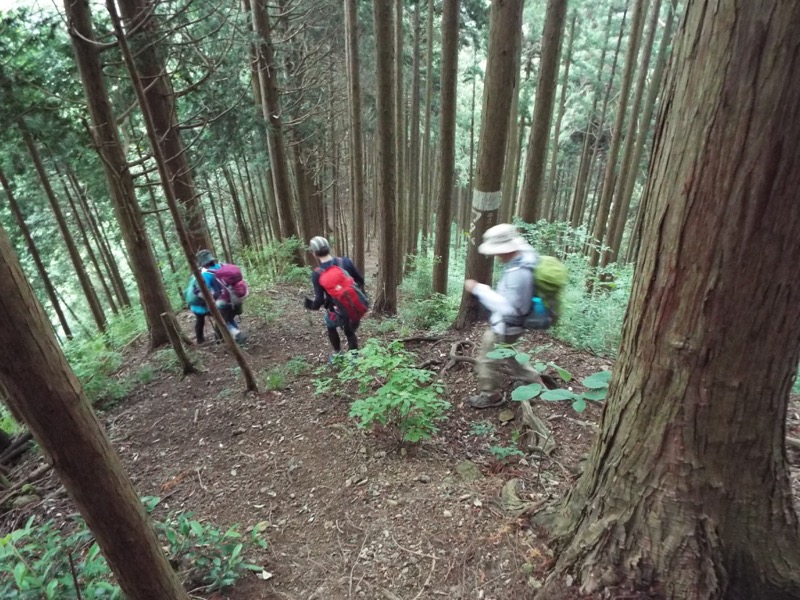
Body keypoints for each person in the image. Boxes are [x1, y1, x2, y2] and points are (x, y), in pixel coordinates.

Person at [463, 224, 543, 409]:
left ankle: (490, 394)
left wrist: (478, 289)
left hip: (507, 324)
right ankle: (534, 383)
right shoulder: (525, 259)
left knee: (487, 359)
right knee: (511, 353)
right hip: (515, 324)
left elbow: (509, 307)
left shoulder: (518, 273)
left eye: (497, 251)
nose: (496, 255)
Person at [302, 236, 366, 360]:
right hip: (356, 307)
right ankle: (354, 357)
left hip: (337, 311)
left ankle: (337, 353)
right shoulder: (345, 262)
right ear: (329, 248)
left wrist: (309, 304)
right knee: (350, 331)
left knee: (330, 326)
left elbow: (319, 301)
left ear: (314, 253)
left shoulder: (318, 273)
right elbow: (360, 280)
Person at [186, 249, 247, 344]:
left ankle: (233, 336)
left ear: (202, 263)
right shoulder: (222, 266)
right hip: (235, 298)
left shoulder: (205, 274)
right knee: (227, 318)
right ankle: (233, 337)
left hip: (222, 302)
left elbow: (205, 292)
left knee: (222, 321)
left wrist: (198, 293)